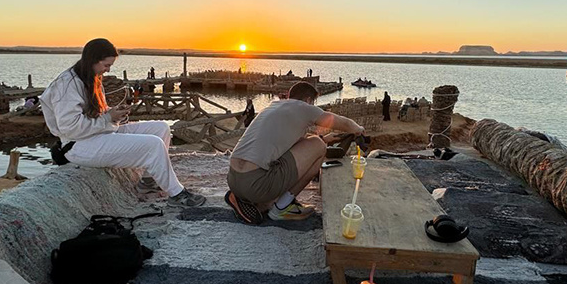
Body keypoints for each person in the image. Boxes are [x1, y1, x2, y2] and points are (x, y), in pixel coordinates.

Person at [40, 38, 206, 208]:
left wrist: (115, 114)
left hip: (96, 135)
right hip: (78, 146)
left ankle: (148, 182)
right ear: (93, 60)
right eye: (106, 65)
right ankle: (177, 194)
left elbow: (96, 114)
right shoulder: (67, 85)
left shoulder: (90, 77)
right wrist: (108, 118)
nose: (108, 70)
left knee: (161, 128)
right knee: (153, 145)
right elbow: (70, 128)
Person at [225, 81, 365, 224]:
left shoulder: (274, 106)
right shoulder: (304, 107)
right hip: (256, 184)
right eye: (313, 102)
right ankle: (281, 207)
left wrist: (324, 138)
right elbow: (343, 123)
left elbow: (289, 143)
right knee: (319, 146)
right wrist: (358, 129)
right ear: (308, 100)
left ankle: (246, 199)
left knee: (317, 141)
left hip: (234, 179)